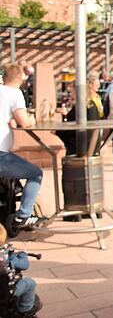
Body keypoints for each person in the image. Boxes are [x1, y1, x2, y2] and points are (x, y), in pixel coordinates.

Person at [0, 63, 44, 230]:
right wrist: (34, 119)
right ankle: (23, 216)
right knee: (36, 174)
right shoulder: (15, 93)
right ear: (20, 78)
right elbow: (24, 122)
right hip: (1, 155)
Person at [57, 74, 105, 156]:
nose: (70, 94)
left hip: (82, 151)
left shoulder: (86, 106)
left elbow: (92, 130)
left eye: (71, 91)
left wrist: (57, 131)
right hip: (84, 149)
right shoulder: (84, 105)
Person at [0, 224, 42, 317]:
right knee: (30, 283)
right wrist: (22, 255)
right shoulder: (6, 256)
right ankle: (25, 309)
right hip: (9, 290)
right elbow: (25, 265)